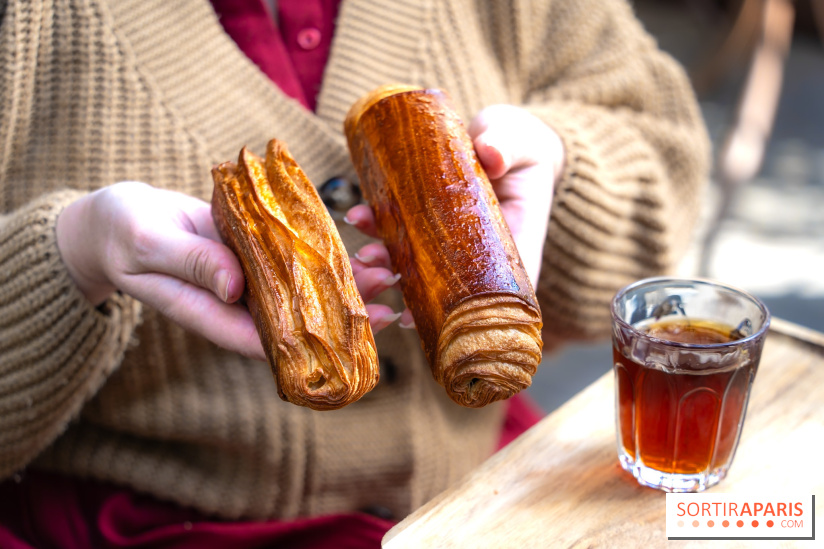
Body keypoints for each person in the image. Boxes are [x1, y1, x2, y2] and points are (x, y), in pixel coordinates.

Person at [0, 0, 710, 546]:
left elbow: (664, 151)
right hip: (138, 522)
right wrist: (72, 255)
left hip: (484, 492)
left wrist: (559, 162)